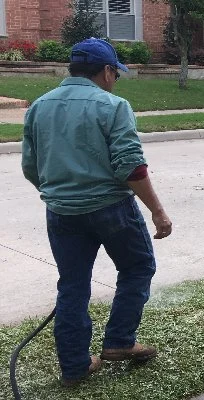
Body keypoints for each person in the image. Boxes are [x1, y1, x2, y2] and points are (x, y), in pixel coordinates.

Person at [21, 38, 173, 387]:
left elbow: (31, 166)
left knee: (72, 286)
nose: (115, 80)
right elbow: (131, 167)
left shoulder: (39, 107)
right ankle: (120, 341)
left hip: (61, 213)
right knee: (137, 267)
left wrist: (59, 192)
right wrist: (158, 212)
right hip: (111, 209)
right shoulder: (113, 106)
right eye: (115, 74)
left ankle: (75, 365)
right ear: (106, 71)